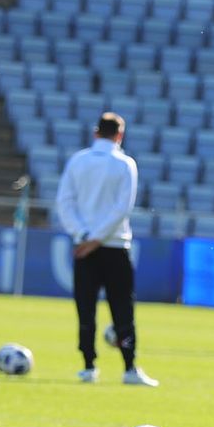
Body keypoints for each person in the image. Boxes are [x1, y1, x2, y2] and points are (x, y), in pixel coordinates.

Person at [55, 111, 157, 387]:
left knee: (85, 307)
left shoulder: (78, 161)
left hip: (84, 247)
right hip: (114, 245)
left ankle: (88, 366)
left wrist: (84, 235)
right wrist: (98, 238)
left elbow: (64, 203)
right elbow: (122, 208)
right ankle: (129, 368)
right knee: (122, 308)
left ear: (95, 132)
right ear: (120, 135)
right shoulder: (125, 164)